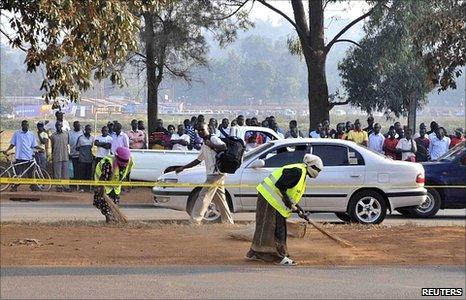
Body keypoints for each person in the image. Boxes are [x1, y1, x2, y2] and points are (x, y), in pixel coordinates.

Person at [246, 154, 323, 266]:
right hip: (269, 199)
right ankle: (278, 257)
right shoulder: (297, 172)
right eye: (317, 170)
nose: (318, 173)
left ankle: (257, 253)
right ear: (312, 166)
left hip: (273, 201)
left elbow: (291, 194)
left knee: (272, 227)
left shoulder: (301, 174)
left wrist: (299, 209)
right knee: (275, 228)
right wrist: (287, 201)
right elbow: (280, 185)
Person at [175, 123, 233, 225]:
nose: (201, 132)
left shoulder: (213, 138)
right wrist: (183, 168)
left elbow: (224, 146)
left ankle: (195, 220)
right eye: (199, 131)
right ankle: (228, 222)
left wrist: (212, 145)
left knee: (203, 195)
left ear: (208, 130)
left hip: (216, 173)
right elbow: (198, 160)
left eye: (203, 130)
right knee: (220, 199)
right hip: (213, 174)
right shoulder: (204, 144)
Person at [93, 146, 134, 223]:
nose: (124, 163)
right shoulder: (108, 163)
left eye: (126, 161)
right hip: (103, 185)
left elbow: (127, 172)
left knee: (114, 204)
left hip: (115, 187)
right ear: (117, 157)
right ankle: (109, 219)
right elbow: (103, 177)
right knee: (104, 203)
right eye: (122, 160)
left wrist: (128, 183)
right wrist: (101, 188)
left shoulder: (129, 162)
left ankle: (114, 219)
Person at [2, 120, 39, 192]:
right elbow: (12, 144)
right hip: (19, 157)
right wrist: (7, 150)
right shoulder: (17, 134)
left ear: (28, 126)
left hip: (29, 157)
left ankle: (33, 186)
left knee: (31, 173)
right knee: (19, 174)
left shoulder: (31, 134)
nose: (26, 126)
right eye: (24, 125)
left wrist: (40, 148)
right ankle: (14, 187)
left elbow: (34, 145)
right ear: (22, 126)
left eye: (27, 125)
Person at [50, 121, 71, 192]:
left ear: (62, 126)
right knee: (57, 173)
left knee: (65, 173)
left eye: (60, 125)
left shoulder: (66, 134)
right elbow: (52, 146)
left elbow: (68, 144)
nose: (58, 126)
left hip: (65, 156)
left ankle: (66, 186)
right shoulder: (53, 136)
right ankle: (58, 186)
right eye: (57, 125)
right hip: (56, 156)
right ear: (55, 126)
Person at [76, 125, 94, 192]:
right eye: (87, 129)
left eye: (90, 129)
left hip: (89, 159)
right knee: (82, 174)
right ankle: (81, 187)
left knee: (88, 174)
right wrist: (82, 149)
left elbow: (92, 148)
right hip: (82, 159)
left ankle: (88, 188)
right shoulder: (80, 138)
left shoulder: (92, 138)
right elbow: (77, 148)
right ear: (85, 129)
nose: (89, 131)